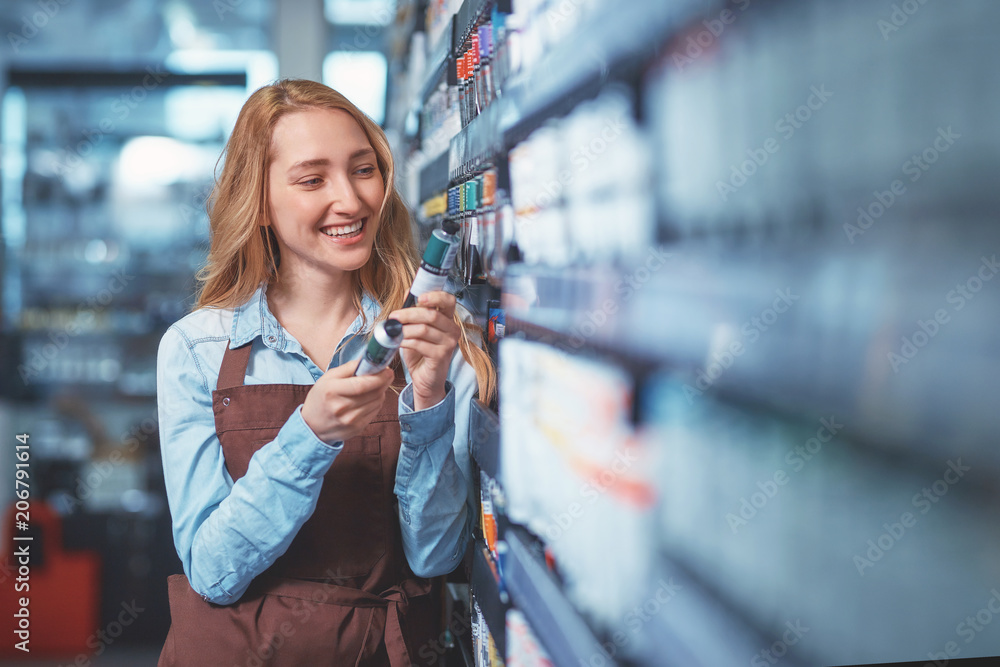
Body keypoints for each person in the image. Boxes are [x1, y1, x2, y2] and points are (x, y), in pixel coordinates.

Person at [155, 78, 495, 666]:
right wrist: (308, 436)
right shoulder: (196, 349)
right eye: (313, 180)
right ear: (259, 201)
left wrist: (429, 397)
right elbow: (212, 571)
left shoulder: (433, 334)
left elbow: (435, 556)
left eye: (363, 169)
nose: (351, 199)